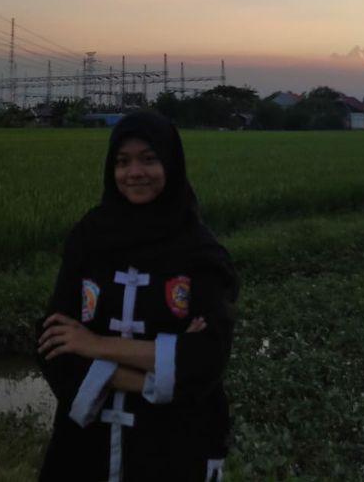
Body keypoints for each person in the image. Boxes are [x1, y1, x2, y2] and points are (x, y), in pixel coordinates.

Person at [37, 110, 238, 481]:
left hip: (173, 446)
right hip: (86, 443)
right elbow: (53, 346)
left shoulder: (200, 253)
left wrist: (94, 344)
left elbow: (208, 359)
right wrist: (163, 363)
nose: (135, 173)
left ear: (171, 163)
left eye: (149, 159)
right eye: (123, 162)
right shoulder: (89, 238)